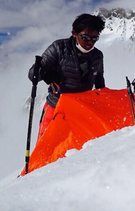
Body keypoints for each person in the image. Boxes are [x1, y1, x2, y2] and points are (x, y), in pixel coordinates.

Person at [28, 13, 106, 141]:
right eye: (85, 37)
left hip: (81, 111)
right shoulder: (59, 48)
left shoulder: (97, 55)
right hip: (55, 109)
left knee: (75, 150)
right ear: (74, 33)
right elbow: (32, 74)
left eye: (94, 39)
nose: (90, 42)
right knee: (46, 148)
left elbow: (99, 82)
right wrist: (46, 73)